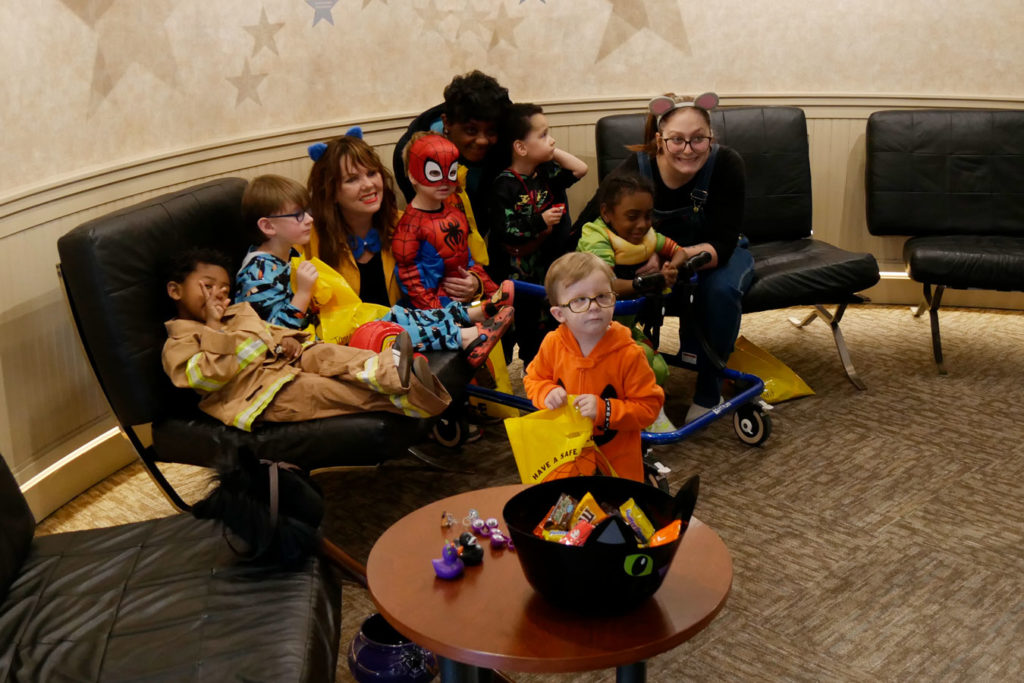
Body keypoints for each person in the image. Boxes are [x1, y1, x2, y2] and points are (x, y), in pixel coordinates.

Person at [574, 92, 753, 424]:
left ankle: (710, 387)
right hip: (654, 256)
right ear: (659, 139)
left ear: (711, 139)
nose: (688, 149)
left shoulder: (727, 164)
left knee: (720, 292)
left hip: (717, 254)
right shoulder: (635, 170)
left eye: (699, 139)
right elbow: (589, 223)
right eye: (677, 140)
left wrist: (674, 260)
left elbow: (724, 242)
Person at [239, 170, 510, 366]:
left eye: (308, 211)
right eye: (298, 215)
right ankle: (466, 337)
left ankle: (473, 313)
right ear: (267, 226)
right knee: (385, 329)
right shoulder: (258, 272)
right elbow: (276, 335)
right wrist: (303, 296)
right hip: (314, 349)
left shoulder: (287, 256)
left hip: (331, 328)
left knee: (395, 314)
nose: (309, 219)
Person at [162, 249, 451, 431]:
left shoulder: (237, 314)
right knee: (327, 390)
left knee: (327, 353)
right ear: (175, 291)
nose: (218, 296)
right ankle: (418, 394)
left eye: (224, 290)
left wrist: (289, 340)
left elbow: (269, 331)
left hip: (285, 362)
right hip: (261, 394)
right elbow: (211, 378)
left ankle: (392, 368)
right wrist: (214, 327)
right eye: (208, 287)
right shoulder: (179, 344)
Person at [523, 252, 664, 482]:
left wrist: (606, 410)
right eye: (579, 300)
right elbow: (533, 380)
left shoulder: (629, 354)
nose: (593, 306)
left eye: (602, 296)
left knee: (616, 514)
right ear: (559, 314)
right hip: (565, 458)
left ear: (613, 299)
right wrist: (546, 392)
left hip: (616, 465)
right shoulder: (552, 345)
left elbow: (649, 407)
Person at [577, 173, 688, 432]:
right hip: (591, 334)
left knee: (657, 366)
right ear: (607, 213)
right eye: (632, 216)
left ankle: (643, 406)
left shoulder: (647, 235)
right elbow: (606, 285)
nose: (642, 224)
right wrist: (653, 281)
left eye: (648, 215)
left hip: (623, 327)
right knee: (646, 360)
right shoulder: (596, 238)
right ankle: (643, 413)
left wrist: (672, 266)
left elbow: (679, 250)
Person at [393, 70, 512, 303]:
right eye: (471, 131)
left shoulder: (502, 147)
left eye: (491, 132)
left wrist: (478, 283)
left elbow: (486, 227)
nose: (482, 141)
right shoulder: (411, 153)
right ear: (447, 123)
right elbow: (427, 228)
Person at [487, 103, 588, 365]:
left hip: (545, 269)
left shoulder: (545, 174)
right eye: (543, 135)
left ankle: (538, 375)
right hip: (514, 273)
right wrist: (539, 220)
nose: (551, 139)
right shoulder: (503, 185)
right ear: (520, 147)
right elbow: (504, 229)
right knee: (512, 325)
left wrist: (549, 150)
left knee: (542, 328)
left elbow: (580, 169)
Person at [393, 133, 502, 311]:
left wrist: (485, 288)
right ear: (413, 175)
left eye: (450, 172)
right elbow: (411, 280)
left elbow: (468, 261)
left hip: (467, 303)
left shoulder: (456, 214)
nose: (444, 181)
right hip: (435, 316)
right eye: (434, 173)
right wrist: (444, 316)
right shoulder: (409, 226)